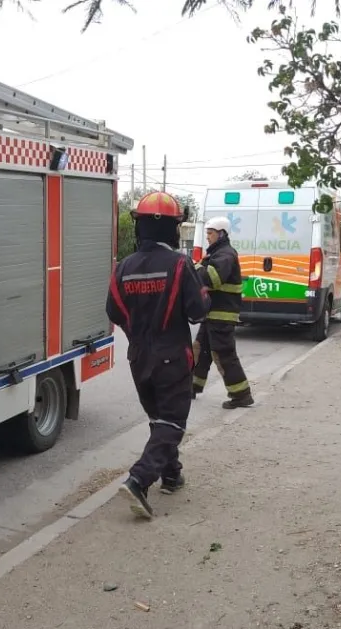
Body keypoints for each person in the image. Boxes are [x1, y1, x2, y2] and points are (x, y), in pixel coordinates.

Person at [106, 192, 211, 519]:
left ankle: (172, 475)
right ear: (170, 228)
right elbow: (198, 311)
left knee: (159, 421)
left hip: (138, 358)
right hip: (172, 358)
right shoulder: (179, 264)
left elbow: (114, 311)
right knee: (173, 423)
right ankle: (138, 480)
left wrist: (137, 335)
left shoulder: (124, 267)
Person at [191, 216, 255, 409]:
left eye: (210, 233)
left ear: (221, 234)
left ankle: (241, 395)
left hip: (222, 314)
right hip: (212, 313)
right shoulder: (217, 253)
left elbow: (213, 279)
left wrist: (194, 266)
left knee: (223, 354)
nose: (207, 237)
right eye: (207, 233)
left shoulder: (225, 254)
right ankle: (191, 386)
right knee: (200, 350)